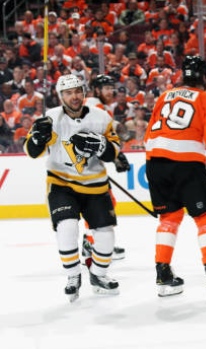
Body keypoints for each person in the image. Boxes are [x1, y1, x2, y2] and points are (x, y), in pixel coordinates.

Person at [143, 55, 206, 299]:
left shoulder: (163, 97)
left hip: (154, 163)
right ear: (204, 78)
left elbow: (146, 137)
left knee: (169, 218)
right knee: (205, 218)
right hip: (187, 164)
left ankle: (163, 274)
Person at [23, 74, 122, 302]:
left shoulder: (101, 118)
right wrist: (37, 139)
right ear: (61, 96)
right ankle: (73, 276)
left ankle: (98, 275)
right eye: (68, 93)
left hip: (95, 185)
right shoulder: (50, 118)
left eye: (77, 91)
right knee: (67, 227)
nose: (74, 96)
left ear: (84, 92)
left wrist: (103, 146)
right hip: (61, 183)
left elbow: (114, 151)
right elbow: (31, 151)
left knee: (106, 236)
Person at [82, 74, 130, 261]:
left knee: (104, 202)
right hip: (87, 164)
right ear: (96, 90)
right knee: (100, 203)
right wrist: (116, 154)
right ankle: (93, 243)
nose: (111, 91)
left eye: (112, 88)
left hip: (89, 161)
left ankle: (91, 241)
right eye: (107, 88)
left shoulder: (96, 105)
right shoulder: (95, 104)